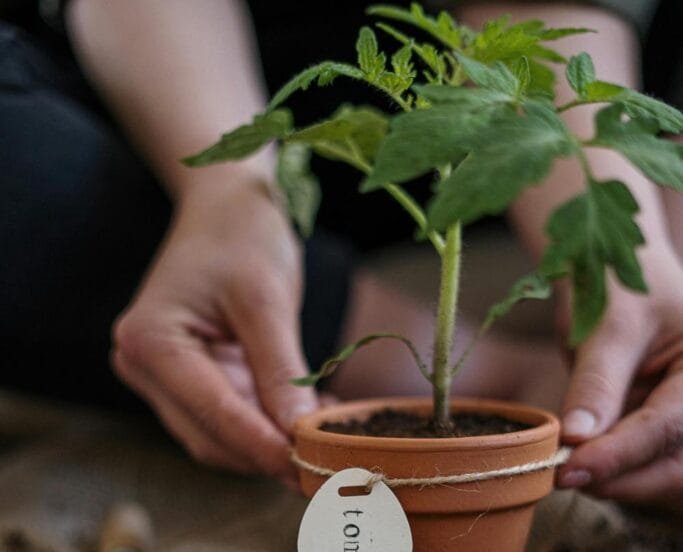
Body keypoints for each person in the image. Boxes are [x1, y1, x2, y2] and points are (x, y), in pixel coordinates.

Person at [1, 0, 681, 507]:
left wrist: (621, 264)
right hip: (183, 113)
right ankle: (484, 379)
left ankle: (635, 335)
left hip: (518, 107)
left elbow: (532, 26)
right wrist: (229, 192)